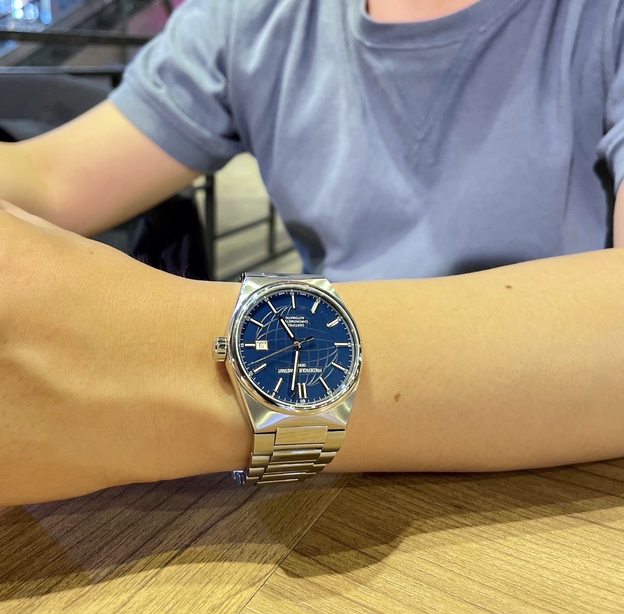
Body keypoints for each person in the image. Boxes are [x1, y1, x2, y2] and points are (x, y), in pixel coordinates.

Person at [1, 0, 624, 505]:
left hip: (567, 488)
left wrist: (153, 362)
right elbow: (51, 178)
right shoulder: (250, 17)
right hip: (322, 492)